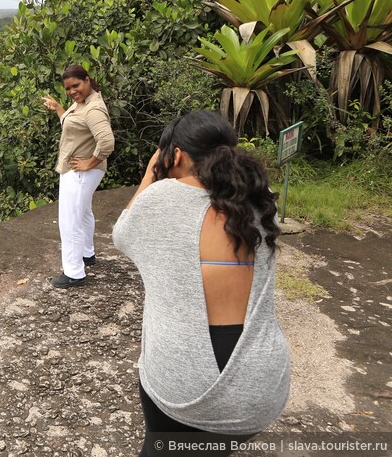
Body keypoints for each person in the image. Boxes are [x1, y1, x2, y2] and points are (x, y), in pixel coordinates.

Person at [111, 110, 290, 456]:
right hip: (260, 384)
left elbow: (123, 234)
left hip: (184, 379)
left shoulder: (160, 199)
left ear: (175, 154)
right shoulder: (258, 202)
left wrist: (151, 173)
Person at [42, 65, 115, 288]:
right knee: (82, 213)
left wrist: (90, 162)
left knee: (70, 220)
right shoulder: (82, 103)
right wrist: (58, 108)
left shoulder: (93, 109)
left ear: (87, 79)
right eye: (68, 88)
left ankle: (74, 273)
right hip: (82, 172)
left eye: (76, 85)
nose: (73, 91)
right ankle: (87, 254)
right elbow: (74, 123)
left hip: (81, 172)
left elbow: (107, 142)